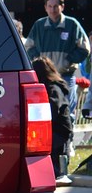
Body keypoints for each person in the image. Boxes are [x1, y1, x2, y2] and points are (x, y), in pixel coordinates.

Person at [25, 0, 90, 119]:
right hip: (45, 78)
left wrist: (68, 60)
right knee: (45, 114)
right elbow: (28, 47)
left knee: (67, 113)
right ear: (45, 8)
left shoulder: (71, 24)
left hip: (65, 76)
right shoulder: (39, 25)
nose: (52, 9)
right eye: (49, 6)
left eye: (55, 6)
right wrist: (40, 61)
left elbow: (85, 48)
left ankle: (69, 138)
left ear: (62, 7)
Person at [34, 56, 73, 185]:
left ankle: (54, 173)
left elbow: (51, 112)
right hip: (60, 130)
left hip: (59, 132)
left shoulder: (52, 89)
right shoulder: (54, 87)